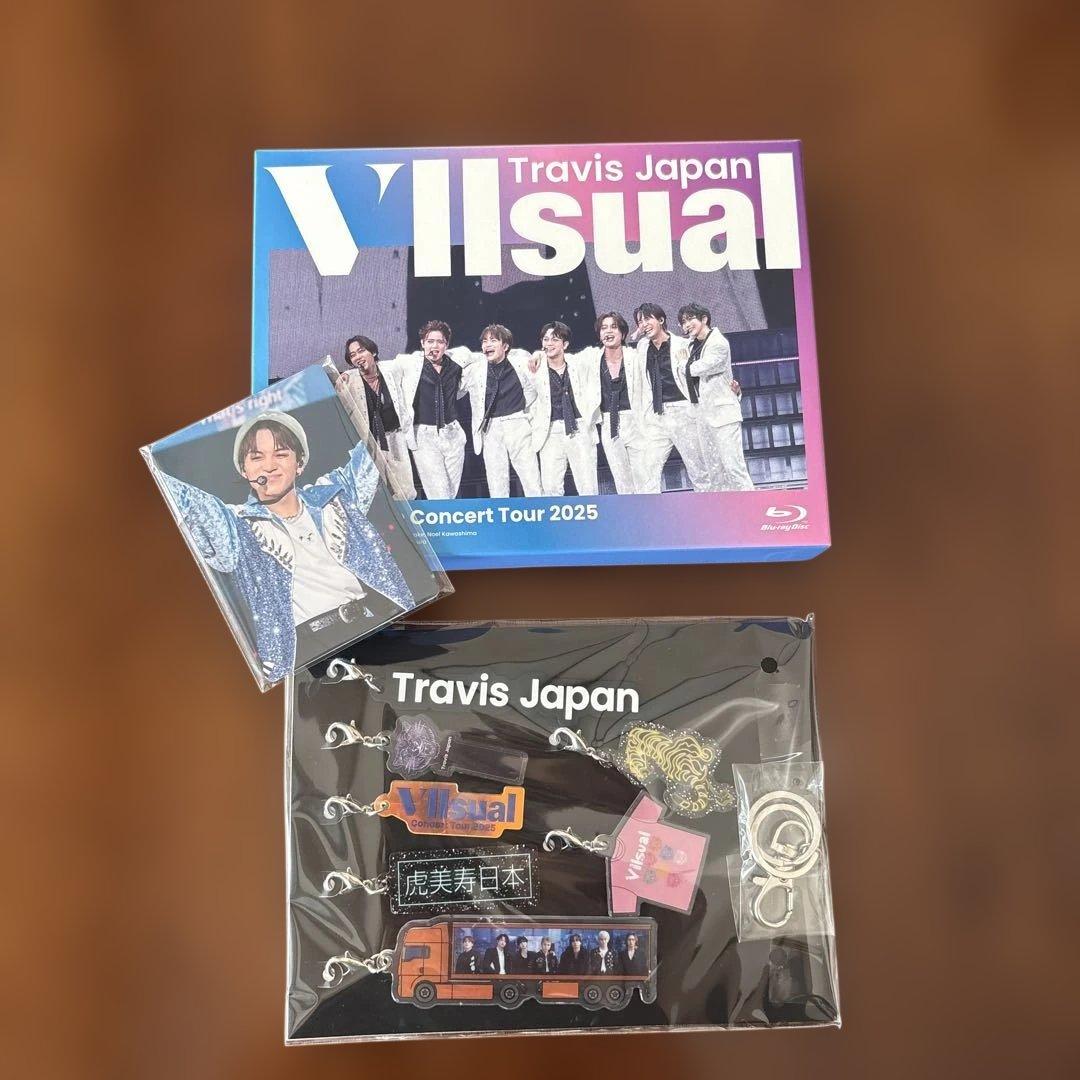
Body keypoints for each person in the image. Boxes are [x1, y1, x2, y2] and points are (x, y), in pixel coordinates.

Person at [159, 411, 415, 682]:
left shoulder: (334, 494)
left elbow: (375, 438)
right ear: (244, 470)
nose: (269, 466)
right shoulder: (236, 526)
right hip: (305, 655)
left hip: (375, 624)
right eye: (256, 457)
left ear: (299, 463)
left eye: (281, 454)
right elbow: (181, 498)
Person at [379, 321, 482, 499]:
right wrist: (349, 374)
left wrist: (532, 359)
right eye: (430, 341)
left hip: (453, 434)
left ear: (446, 345)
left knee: (450, 494)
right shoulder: (409, 363)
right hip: (424, 436)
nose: (434, 346)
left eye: (440, 342)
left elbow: (485, 357)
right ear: (422, 343)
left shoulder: (458, 359)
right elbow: (382, 367)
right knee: (439, 494)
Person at [629, 302, 711, 493]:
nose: (644, 324)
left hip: (683, 412)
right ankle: (649, 510)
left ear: (661, 320)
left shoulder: (684, 344)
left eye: (647, 319)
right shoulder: (642, 346)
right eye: (640, 321)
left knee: (698, 470)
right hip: (656, 416)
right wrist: (637, 331)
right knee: (647, 470)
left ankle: (709, 506)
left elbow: (701, 375)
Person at [457, 324, 544, 497]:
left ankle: (540, 512)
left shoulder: (521, 361)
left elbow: (539, 373)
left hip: (517, 423)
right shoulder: (476, 369)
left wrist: (539, 354)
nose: (487, 344)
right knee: (496, 483)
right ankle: (501, 514)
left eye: (493, 340)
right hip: (490, 428)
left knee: (531, 479)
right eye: (484, 341)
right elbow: (457, 389)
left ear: (505, 346)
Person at [677, 303, 755, 491]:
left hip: (723, 416)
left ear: (704, 319)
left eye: (690, 319)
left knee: (734, 468)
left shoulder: (718, 343)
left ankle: (752, 505)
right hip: (702, 415)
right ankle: (723, 507)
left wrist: (682, 363)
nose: (686, 325)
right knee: (715, 472)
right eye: (683, 322)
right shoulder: (691, 345)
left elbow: (700, 368)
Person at [576, 312, 651, 494]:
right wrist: (539, 355)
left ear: (622, 333)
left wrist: (638, 334)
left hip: (636, 421)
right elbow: (564, 358)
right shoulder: (591, 358)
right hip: (609, 423)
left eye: (613, 327)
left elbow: (654, 346)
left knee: (645, 478)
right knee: (622, 480)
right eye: (604, 328)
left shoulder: (635, 356)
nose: (608, 331)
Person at [525, 321, 600, 496]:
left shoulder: (578, 363)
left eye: (555, 339)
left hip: (579, 427)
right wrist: (537, 354)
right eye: (545, 339)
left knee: (588, 487)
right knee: (551, 488)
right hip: (550, 431)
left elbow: (597, 351)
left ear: (565, 344)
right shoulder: (535, 368)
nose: (549, 343)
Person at [339, 334, 417, 500]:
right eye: (352, 355)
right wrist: (339, 384)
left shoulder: (390, 370)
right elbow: (340, 407)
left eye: (361, 351)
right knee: (373, 493)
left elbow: (414, 362)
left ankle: (406, 515)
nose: (357, 357)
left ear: (373, 352)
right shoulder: (349, 379)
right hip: (369, 442)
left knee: (406, 492)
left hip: (395, 438)